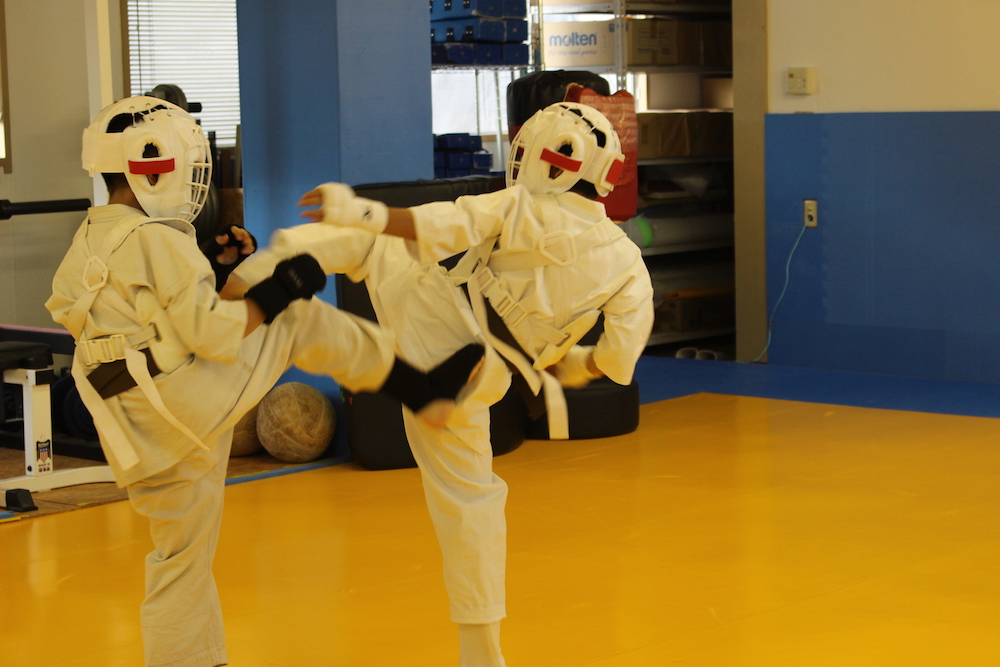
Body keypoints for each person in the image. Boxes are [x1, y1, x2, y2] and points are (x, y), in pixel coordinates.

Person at [44, 96, 483, 667]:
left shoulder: (88, 239)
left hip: (132, 423)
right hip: (180, 401)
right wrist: (280, 289)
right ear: (150, 167)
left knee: (179, 556)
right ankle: (423, 391)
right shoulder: (158, 239)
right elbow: (213, 335)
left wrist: (215, 271)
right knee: (298, 317)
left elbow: (124, 316)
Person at [227, 101, 655, 667]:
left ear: (537, 157)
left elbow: (435, 224)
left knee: (362, 243)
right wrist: (567, 364)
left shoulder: (520, 205)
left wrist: (362, 210)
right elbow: (616, 358)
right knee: (471, 500)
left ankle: (231, 301)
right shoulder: (628, 263)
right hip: (488, 378)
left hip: (433, 316)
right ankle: (482, 654)